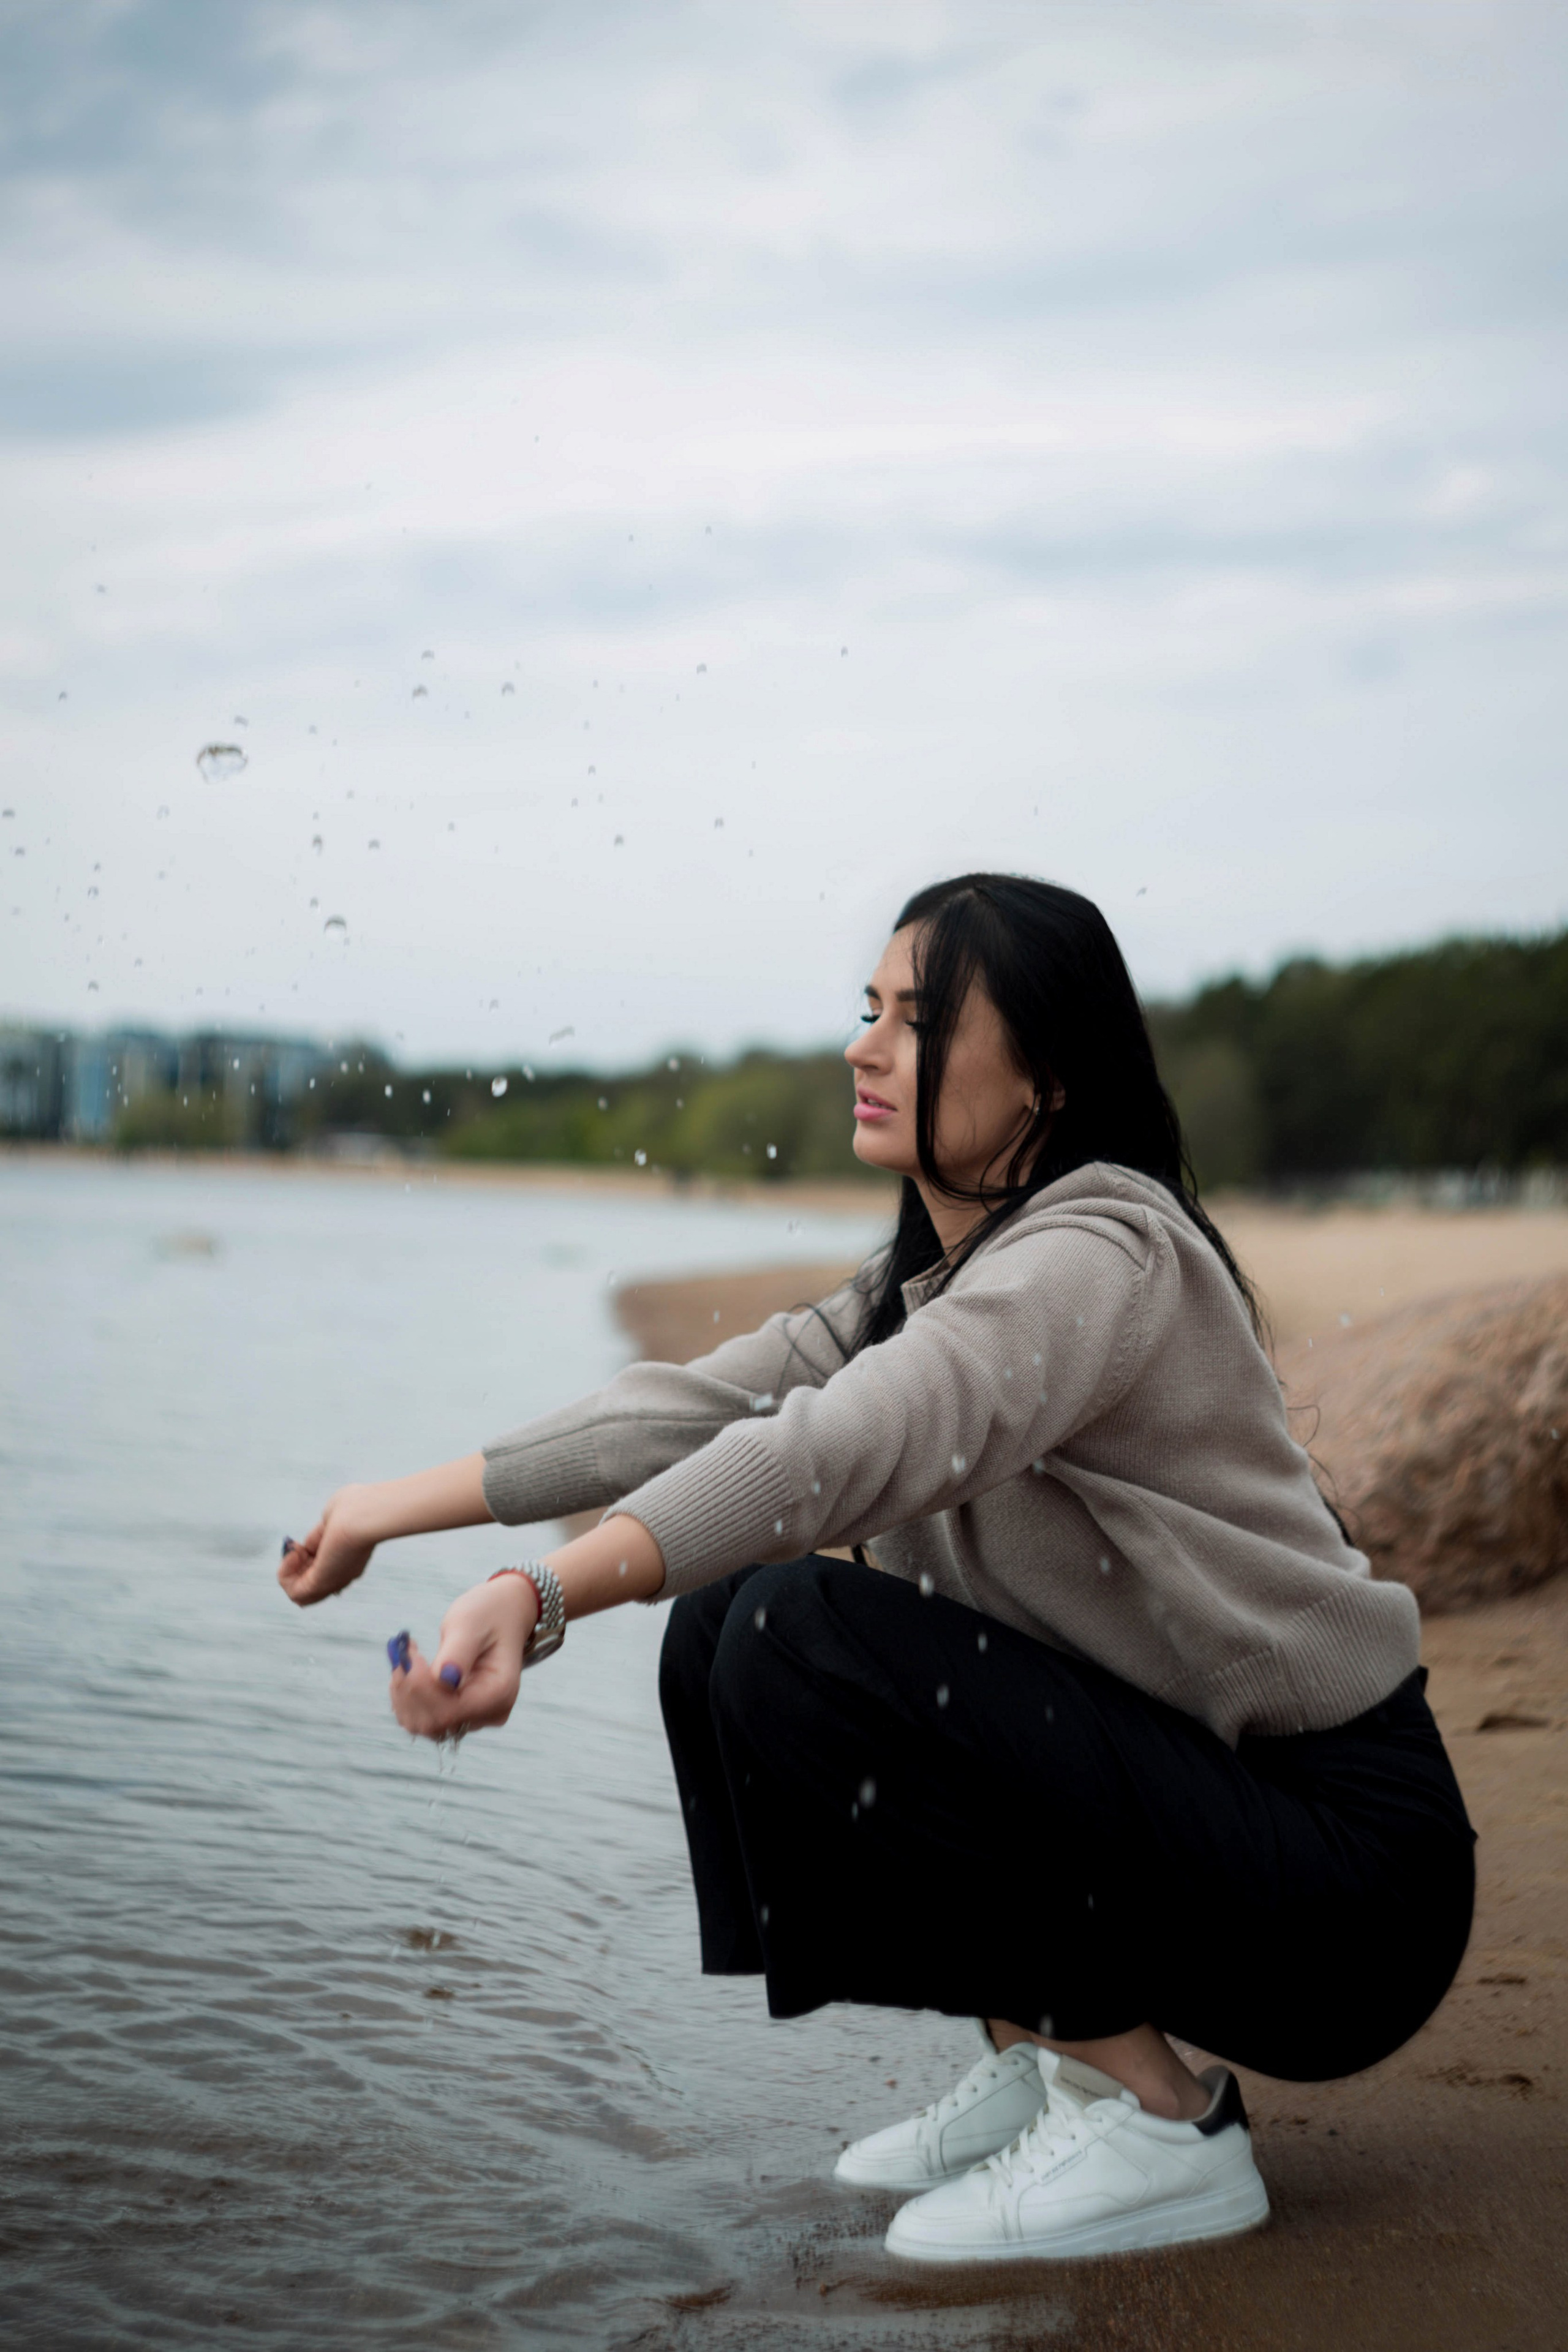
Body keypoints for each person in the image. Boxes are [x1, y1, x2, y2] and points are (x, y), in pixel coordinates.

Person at [279, 872, 1475, 2265]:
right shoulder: (939, 1273)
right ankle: (1052, 2051)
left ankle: (1156, 2120)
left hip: (1344, 1888)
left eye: (917, 1021)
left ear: (1045, 1080)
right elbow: (672, 1413)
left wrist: (539, 1597)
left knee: (793, 1630)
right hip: (1210, 1824)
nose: (862, 1045)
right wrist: (384, 1511)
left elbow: (818, 1457)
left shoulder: (1100, 1259)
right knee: (726, 1621)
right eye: (869, 1010)